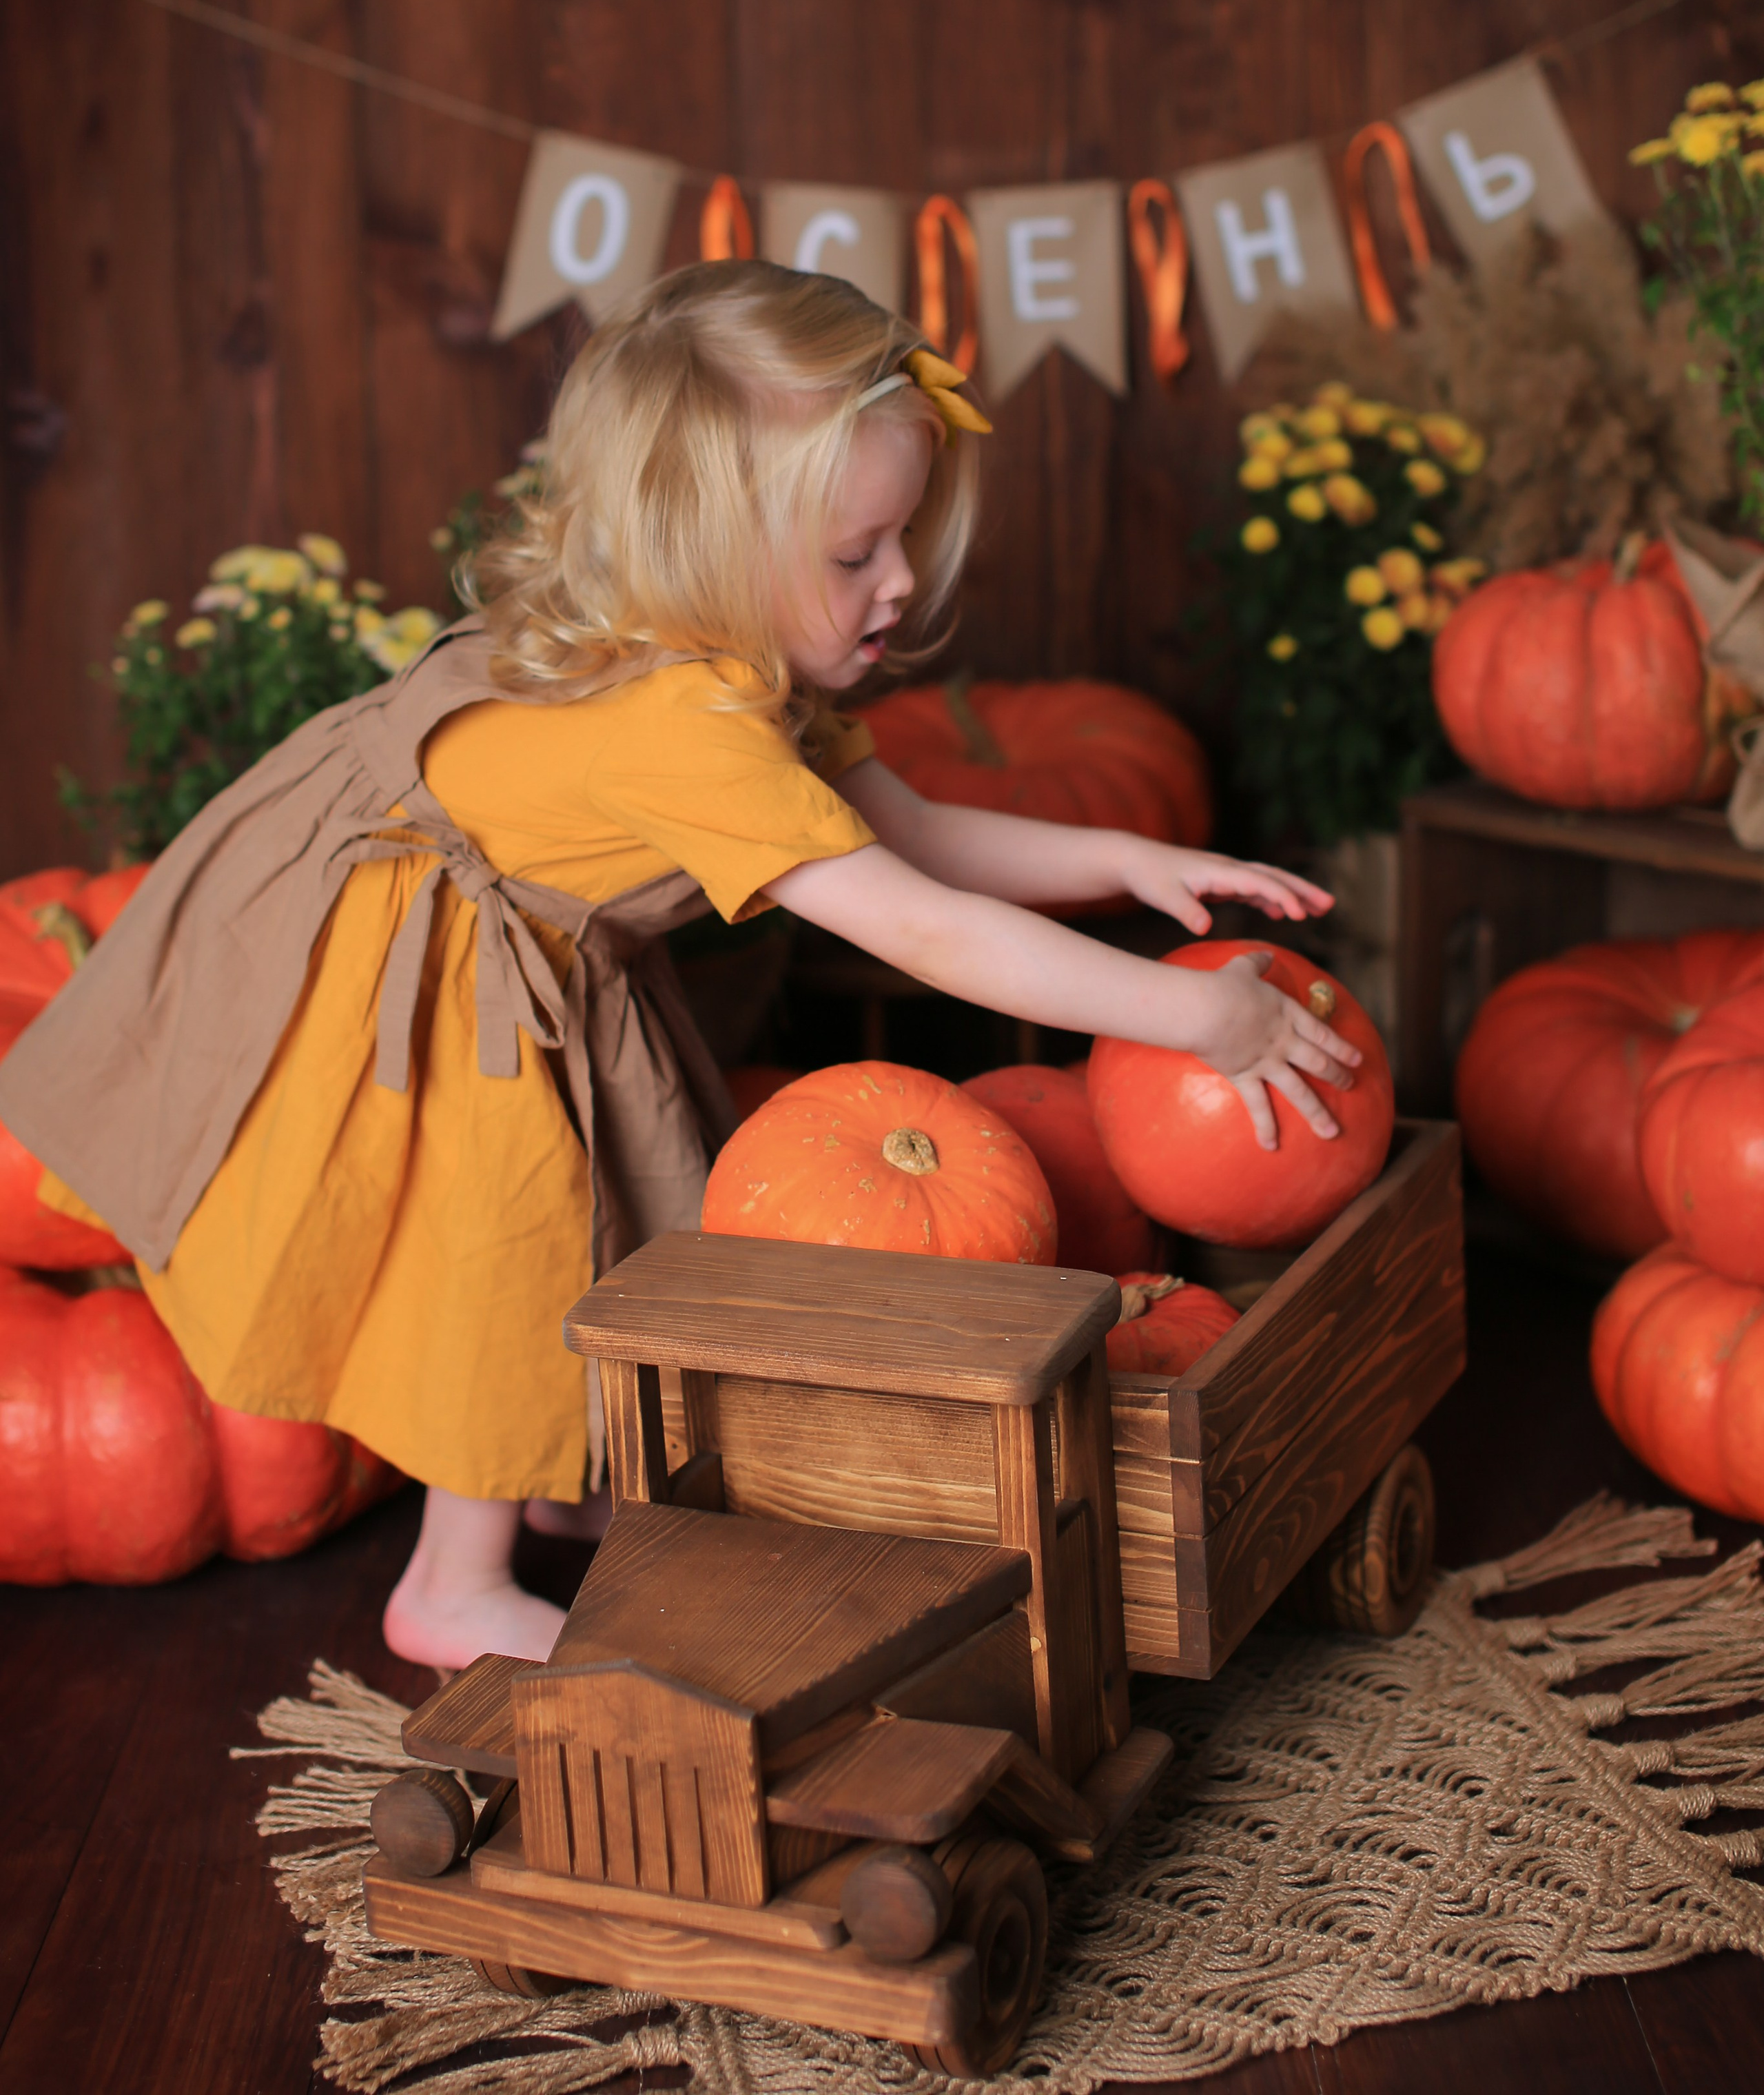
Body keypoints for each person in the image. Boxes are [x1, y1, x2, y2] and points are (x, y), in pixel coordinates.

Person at [0, 260, 1355, 1669]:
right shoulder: (681, 725)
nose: (895, 582)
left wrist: (1126, 863)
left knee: (617, 1221)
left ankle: (568, 1474)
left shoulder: (732, 659)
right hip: (422, 956)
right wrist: (1193, 1014)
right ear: (707, 550)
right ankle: (450, 1587)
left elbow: (917, 835)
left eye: (901, 538)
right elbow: (921, 926)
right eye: (854, 555)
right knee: (510, 1256)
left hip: (525, 922)